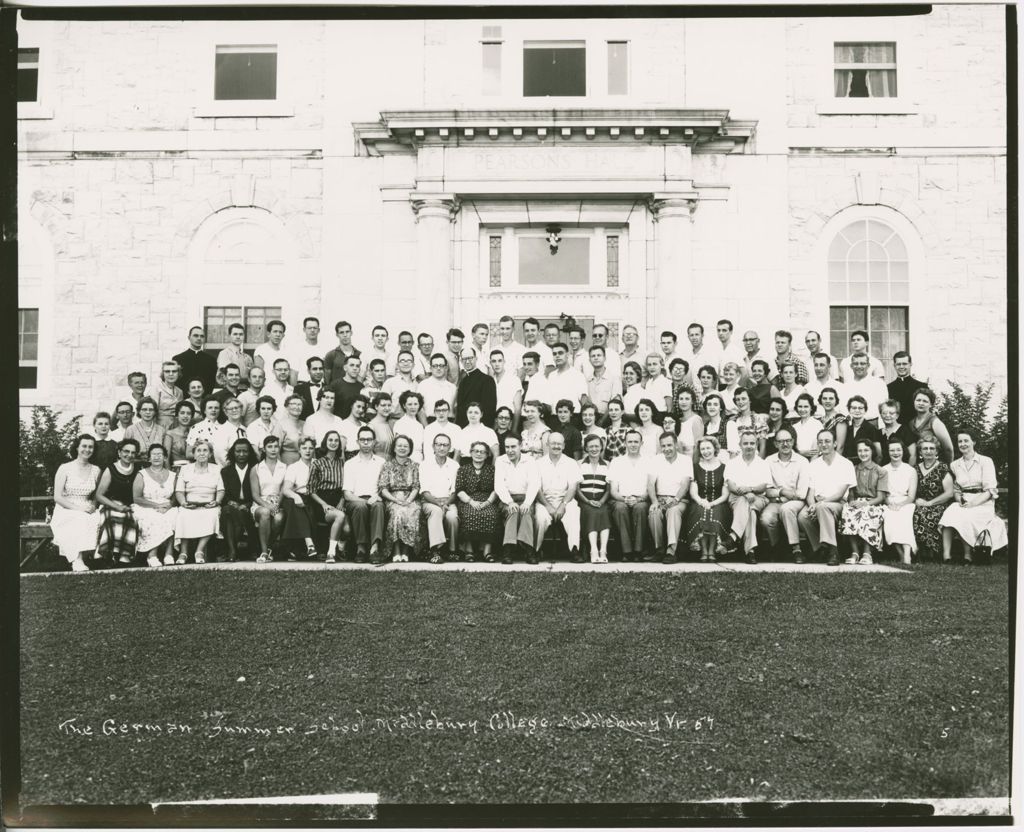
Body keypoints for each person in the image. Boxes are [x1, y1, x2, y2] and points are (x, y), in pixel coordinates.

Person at [939, 428, 1008, 564]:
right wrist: (959, 499)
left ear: (974, 442)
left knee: (966, 516)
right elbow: (957, 488)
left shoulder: (985, 461)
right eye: (960, 441)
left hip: (983, 502)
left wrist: (973, 504)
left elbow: (990, 490)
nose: (963, 444)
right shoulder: (955, 465)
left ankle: (967, 556)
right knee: (949, 515)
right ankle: (946, 556)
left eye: (966, 441)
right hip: (963, 500)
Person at [798, 430, 857, 566]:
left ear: (835, 443)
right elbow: (810, 492)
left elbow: (840, 494)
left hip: (838, 504)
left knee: (823, 507)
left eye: (827, 441)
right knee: (802, 516)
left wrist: (821, 503)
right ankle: (820, 548)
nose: (823, 444)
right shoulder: (813, 465)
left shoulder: (846, 464)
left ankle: (833, 550)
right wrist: (812, 504)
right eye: (820, 442)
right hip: (818, 503)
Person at [49, 434, 102, 572]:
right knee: (79, 518)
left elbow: (97, 495)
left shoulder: (96, 470)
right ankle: (77, 560)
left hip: (86, 505)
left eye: (91, 447)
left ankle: (96, 556)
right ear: (77, 448)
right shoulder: (65, 468)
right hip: (66, 507)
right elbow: (58, 497)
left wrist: (93, 506)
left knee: (98, 518)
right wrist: (79, 509)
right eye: (84, 446)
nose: (87, 449)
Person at [760, 425, 810, 562]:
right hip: (775, 501)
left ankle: (796, 549)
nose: (785, 444)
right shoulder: (769, 461)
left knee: (787, 509)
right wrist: (782, 492)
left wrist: (784, 496)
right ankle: (777, 547)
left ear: (793, 442)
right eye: (781, 441)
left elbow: (801, 493)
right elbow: (766, 490)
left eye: (788, 440)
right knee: (766, 519)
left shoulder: (802, 461)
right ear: (775, 444)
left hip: (797, 502)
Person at [724, 430, 772, 564]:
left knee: (749, 505)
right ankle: (750, 551)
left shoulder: (763, 463)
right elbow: (732, 486)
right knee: (749, 510)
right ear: (740, 445)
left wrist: (750, 489)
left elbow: (763, 486)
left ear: (756, 444)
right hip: (736, 498)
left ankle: (733, 536)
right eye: (745, 443)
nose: (749, 446)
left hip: (759, 498)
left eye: (752, 443)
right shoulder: (732, 463)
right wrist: (746, 493)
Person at [173, 438, 223, 565]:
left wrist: (216, 502)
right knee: (182, 515)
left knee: (212, 515)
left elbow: (221, 490)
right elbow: (179, 491)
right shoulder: (185, 469)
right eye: (198, 451)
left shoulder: (217, 469)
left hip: (209, 505)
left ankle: (199, 551)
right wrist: (183, 503)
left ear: (210, 454)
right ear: (194, 454)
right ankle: (183, 552)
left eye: (205, 450)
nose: (202, 453)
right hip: (189, 504)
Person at [534, 432, 582, 562]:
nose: (556, 446)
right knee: (540, 517)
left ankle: (574, 550)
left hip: (566, 500)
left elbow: (572, 488)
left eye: (559, 443)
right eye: (553, 443)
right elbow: (536, 489)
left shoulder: (571, 463)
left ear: (564, 445)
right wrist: (548, 506)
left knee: (573, 512)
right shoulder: (538, 464)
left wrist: (563, 505)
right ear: (547, 444)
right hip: (544, 501)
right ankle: (536, 550)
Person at [840, 438, 888, 565]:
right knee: (848, 511)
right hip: (857, 501)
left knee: (868, 512)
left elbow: (881, 497)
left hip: (874, 503)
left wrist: (865, 504)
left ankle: (867, 553)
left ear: (872, 451)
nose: (863, 453)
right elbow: (850, 492)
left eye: (866, 450)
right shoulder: (853, 469)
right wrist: (851, 502)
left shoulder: (881, 471)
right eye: (860, 451)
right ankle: (855, 553)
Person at [646, 431, 692, 563]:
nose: (666, 449)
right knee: (654, 512)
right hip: (660, 498)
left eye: (669, 445)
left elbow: (685, 484)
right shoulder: (656, 460)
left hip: (679, 499)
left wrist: (675, 499)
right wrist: (654, 501)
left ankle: (671, 552)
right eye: (663, 446)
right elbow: (650, 484)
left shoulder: (685, 460)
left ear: (676, 444)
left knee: (673, 512)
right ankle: (659, 550)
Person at [493, 435, 540, 564]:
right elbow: (499, 485)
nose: (510, 450)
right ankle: (508, 549)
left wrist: (527, 502)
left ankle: (528, 550)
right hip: (507, 498)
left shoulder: (530, 461)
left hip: (526, 498)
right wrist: (509, 502)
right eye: (507, 447)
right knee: (513, 511)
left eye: (513, 446)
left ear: (520, 446)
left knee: (526, 512)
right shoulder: (500, 461)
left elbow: (534, 483)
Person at [343, 426, 387, 563]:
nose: (366, 443)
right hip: (355, 500)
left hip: (375, 498)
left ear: (374, 442)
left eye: (369, 439)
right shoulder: (350, 464)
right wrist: (362, 501)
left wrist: (379, 496)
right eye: (363, 439)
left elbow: (384, 487)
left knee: (378, 506)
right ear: (357, 442)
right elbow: (347, 494)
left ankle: (374, 548)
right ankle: (361, 548)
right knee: (360, 507)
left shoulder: (381, 462)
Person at [132, 443, 179, 567]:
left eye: (160, 454)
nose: (156, 457)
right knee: (155, 518)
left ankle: (169, 554)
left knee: (174, 515)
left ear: (164, 457)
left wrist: (169, 506)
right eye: (153, 454)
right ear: (149, 458)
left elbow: (175, 495)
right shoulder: (141, 474)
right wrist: (156, 506)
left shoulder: (173, 475)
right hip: (145, 506)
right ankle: (152, 555)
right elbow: (136, 498)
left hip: (167, 506)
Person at [684, 436, 731, 561]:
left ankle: (712, 550)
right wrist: (701, 501)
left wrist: (713, 503)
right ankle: (704, 550)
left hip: (719, 502)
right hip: (699, 501)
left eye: (708, 448)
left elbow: (725, 494)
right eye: (702, 449)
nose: (706, 451)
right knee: (701, 511)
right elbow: (693, 491)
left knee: (714, 512)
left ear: (715, 448)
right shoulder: (695, 467)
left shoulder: (724, 467)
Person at [607, 429, 651, 561]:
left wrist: (639, 499)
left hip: (642, 499)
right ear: (625, 443)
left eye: (636, 442)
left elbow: (651, 487)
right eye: (630, 441)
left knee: (641, 508)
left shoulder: (649, 461)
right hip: (620, 499)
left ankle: (638, 550)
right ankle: (626, 551)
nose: (633, 444)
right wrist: (625, 499)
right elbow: (613, 491)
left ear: (641, 443)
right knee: (620, 508)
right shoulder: (616, 462)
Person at [95, 438, 140, 566]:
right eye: (126, 451)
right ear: (119, 452)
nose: (129, 455)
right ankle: (107, 555)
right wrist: (116, 506)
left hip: (129, 505)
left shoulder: (137, 469)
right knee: (111, 519)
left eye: (133, 452)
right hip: (110, 503)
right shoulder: (111, 469)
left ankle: (124, 557)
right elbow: (99, 495)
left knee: (130, 519)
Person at [377, 434, 421, 562]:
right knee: (397, 513)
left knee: (414, 511)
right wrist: (395, 500)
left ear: (410, 449)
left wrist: (408, 501)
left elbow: (416, 486)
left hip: (410, 497)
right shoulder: (387, 465)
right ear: (394, 448)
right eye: (399, 445)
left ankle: (406, 552)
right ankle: (396, 551)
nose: (402, 448)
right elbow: (383, 487)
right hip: (392, 497)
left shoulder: (415, 466)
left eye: (405, 446)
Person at [454, 441, 500, 562]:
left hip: (488, 500)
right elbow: (459, 490)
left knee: (490, 514)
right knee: (469, 514)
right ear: (471, 453)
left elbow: (497, 489)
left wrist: (487, 502)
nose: (479, 454)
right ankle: (469, 551)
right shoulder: (463, 469)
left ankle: (487, 551)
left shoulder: (492, 470)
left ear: (487, 455)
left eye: (482, 452)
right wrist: (471, 502)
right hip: (468, 500)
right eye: (476, 451)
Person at [308, 430, 349, 563]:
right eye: (330, 440)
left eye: (336, 440)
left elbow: (347, 486)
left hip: (339, 499)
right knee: (340, 516)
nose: (333, 443)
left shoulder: (343, 463)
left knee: (347, 530)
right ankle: (330, 553)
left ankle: (340, 549)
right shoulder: (317, 463)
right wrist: (323, 504)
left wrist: (342, 502)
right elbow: (311, 489)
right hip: (322, 501)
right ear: (325, 442)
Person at [420, 433, 461, 563]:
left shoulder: (455, 465)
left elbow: (455, 491)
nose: (442, 448)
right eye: (438, 444)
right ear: (433, 446)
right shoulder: (425, 464)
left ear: (450, 448)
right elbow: (425, 492)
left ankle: (452, 551)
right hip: (430, 501)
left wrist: (446, 504)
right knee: (436, 512)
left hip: (448, 501)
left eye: (445, 445)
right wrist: (439, 504)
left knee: (452, 517)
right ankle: (435, 551)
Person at [912, 437, 955, 561]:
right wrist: (917, 501)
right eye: (925, 448)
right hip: (920, 503)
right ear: (920, 452)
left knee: (925, 514)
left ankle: (934, 552)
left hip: (939, 504)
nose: (928, 451)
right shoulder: (915, 469)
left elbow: (949, 493)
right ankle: (920, 551)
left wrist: (929, 503)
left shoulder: (943, 468)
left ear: (937, 452)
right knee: (914, 513)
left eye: (932, 448)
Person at [280, 437, 320, 559]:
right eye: (304, 448)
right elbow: (286, 489)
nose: (307, 451)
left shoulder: (318, 464)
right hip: (296, 497)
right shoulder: (294, 467)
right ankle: (309, 543)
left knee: (303, 507)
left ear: (314, 450)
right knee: (295, 504)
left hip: (314, 498)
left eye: (310, 448)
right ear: (299, 450)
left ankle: (292, 548)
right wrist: (296, 496)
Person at [250, 435, 287, 563]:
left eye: (276, 446)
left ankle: (269, 547)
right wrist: (267, 505)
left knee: (279, 518)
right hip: (260, 503)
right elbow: (254, 494)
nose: (273, 449)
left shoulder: (284, 467)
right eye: (269, 447)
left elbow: (283, 490)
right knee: (265, 513)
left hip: (278, 502)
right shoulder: (256, 468)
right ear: (264, 449)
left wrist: (277, 505)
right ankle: (264, 552)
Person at [218, 437, 255, 562]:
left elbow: (259, 492)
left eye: (245, 451)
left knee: (235, 513)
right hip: (231, 505)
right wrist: (230, 502)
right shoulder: (225, 471)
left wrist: (249, 504)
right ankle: (233, 550)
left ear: (249, 453)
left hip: (249, 506)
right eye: (238, 451)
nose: (241, 454)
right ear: (233, 453)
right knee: (228, 510)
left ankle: (231, 551)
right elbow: (223, 492)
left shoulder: (256, 470)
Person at [882, 440, 918, 564]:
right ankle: (900, 554)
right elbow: (883, 493)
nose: (895, 453)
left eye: (898, 450)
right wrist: (889, 503)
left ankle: (907, 555)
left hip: (906, 502)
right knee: (890, 518)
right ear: (888, 452)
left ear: (903, 452)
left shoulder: (911, 470)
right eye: (892, 450)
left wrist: (900, 505)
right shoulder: (883, 470)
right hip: (889, 502)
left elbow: (911, 496)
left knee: (904, 517)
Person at [578, 434, 612, 563]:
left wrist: (601, 501)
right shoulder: (579, 464)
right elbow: (576, 488)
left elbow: (608, 489)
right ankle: (593, 550)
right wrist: (587, 501)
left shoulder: (607, 465)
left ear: (601, 447)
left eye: (596, 446)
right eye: (590, 446)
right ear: (586, 448)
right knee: (592, 512)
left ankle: (603, 551)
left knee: (603, 511)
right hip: (584, 501)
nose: (594, 449)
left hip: (601, 500)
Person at [907, 387, 955, 464]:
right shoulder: (911, 423)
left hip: (934, 466)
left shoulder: (935, 422)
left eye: (925, 401)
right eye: (918, 400)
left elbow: (949, 449)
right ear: (914, 402)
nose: (921, 403)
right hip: (917, 466)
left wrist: (949, 468)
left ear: (931, 404)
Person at [543, 343, 588, 423]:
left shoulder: (577, 375)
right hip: (554, 418)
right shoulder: (551, 376)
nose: (557, 356)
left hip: (573, 418)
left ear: (567, 354)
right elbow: (548, 400)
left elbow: (583, 399)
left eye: (560, 353)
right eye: (554, 354)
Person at [843, 353, 889, 421]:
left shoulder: (879, 383)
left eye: (862, 363)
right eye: (856, 364)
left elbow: (884, 407)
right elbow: (844, 408)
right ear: (851, 366)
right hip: (852, 424)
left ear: (868, 365)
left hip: (873, 424)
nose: (859, 366)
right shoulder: (846, 386)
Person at [172, 326, 217, 394]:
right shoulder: (178, 359)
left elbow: (211, 383)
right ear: (189, 338)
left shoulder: (211, 360)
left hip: (204, 399)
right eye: (196, 336)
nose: (199, 338)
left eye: (202, 336)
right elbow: (176, 382)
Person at [725, 388, 767, 458]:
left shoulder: (759, 419)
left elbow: (763, 447)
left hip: (753, 458)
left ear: (750, 400)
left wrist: (759, 464)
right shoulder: (733, 420)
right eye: (738, 399)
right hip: (736, 458)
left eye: (743, 399)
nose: (740, 402)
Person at [842, 396, 883, 464]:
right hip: (848, 468)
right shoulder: (847, 429)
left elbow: (879, 456)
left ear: (865, 410)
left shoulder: (872, 429)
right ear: (849, 410)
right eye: (854, 408)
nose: (857, 410)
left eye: (860, 408)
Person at [887, 352, 926, 422]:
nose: (901, 367)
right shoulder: (888, 388)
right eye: (898, 364)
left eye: (904, 364)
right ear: (894, 366)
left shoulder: (921, 386)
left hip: (915, 428)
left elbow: (926, 411)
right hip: (896, 429)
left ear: (910, 364)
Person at [878, 400, 917, 466]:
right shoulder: (878, 433)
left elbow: (913, 455)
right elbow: (879, 457)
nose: (887, 415)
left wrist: (907, 473)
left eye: (891, 413)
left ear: (897, 415)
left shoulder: (905, 430)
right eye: (884, 413)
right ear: (881, 415)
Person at [491, 350, 524, 428]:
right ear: (490, 363)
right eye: (494, 361)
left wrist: (514, 429)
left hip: (508, 422)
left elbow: (518, 408)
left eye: (499, 361)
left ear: (504, 362)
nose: (497, 364)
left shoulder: (514, 379)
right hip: (494, 423)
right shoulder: (490, 380)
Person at [215, 322, 254, 388]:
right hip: (229, 391)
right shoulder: (224, 354)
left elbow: (253, 376)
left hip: (244, 391)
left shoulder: (247, 357)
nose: (238, 337)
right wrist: (247, 378)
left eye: (241, 334)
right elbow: (229, 376)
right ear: (229, 336)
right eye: (235, 334)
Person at [212, 398, 249, 466]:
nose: (234, 410)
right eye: (231, 409)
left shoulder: (246, 430)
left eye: (236, 408)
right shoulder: (221, 431)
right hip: (229, 470)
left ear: (241, 410)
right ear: (226, 412)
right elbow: (220, 455)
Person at [323, 320, 361, 386]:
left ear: (351, 333)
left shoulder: (359, 354)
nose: (345, 335)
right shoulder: (331, 355)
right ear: (337, 335)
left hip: (355, 392)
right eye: (341, 332)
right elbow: (327, 379)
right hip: (336, 392)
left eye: (347, 332)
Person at [328, 354, 366, 419]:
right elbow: (329, 408)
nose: (355, 368)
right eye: (352, 365)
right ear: (345, 368)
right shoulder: (335, 385)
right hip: (338, 424)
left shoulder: (362, 387)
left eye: (357, 366)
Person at [394, 390, 426, 462]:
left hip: (419, 459)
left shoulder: (420, 426)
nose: (413, 407)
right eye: (410, 404)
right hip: (405, 460)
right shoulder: (400, 424)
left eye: (415, 404)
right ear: (404, 406)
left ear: (419, 405)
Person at [791, 393, 824, 460]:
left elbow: (816, 451)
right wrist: (800, 453)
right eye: (800, 406)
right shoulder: (794, 426)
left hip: (813, 460)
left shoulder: (817, 425)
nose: (802, 410)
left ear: (811, 408)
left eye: (806, 406)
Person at [673, 388, 705, 457]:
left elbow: (698, 445)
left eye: (687, 399)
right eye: (681, 399)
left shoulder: (696, 419)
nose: (683, 402)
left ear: (692, 401)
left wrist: (694, 464)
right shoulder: (678, 420)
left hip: (690, 457)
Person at [290, 317, 322, 384]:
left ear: (319, 330)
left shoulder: (324, 348)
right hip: (302, 386)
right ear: (304, 330)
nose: (312, 330)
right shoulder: (297, 348)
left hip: (321, 387)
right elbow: (293, 374)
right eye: (309, 328)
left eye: (315, 328)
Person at [818, 387, 848, 457]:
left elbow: (840, 447)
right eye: (824, 398)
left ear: (836, 401)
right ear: (820, 400)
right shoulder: (820, 419)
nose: (827, 401)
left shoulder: (840, 419)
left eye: (831, 398)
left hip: (834, 458)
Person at [586, 346, 615, 418]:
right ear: (589, 360)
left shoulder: (614, 378)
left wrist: (602, 421)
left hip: (609, 418)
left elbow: (615, 403)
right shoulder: (588, 380)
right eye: (593, 356)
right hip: (591, 419)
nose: (596, 358)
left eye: (599, 355)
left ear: (605, 358)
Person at [276, 394, 306, 464]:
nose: (296, 407)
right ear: (286, 407)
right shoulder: (281, 425)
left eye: (299, 404)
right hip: (287, 464)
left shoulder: (305, 424)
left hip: (304, 465)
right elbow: (275, 450)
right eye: (293, 404)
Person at [153, 361, 184, 427]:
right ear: (163, 374)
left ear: (178, 373)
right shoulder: (157, 389)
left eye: (174, 371)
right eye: (167, 371)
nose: (171, 374)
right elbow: (152, 412)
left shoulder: (179, 391)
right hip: (160, 425)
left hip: (177, 425)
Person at [165, 401, 195, 469]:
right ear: (177, 415)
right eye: (182, 413)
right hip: (176, 469)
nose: (185, 416)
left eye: (188, 413)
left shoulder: (194, 433)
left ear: (192, 416)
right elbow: (166, 458)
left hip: (193, 470)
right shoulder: (170, 434)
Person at [702, 394, 729, 460]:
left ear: (720, 408)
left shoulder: (728, 424)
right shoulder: (704, 427)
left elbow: (733, 452)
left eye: (715, 404)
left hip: (725, 463)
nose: (712, 407)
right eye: (709, 404)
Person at [602, 397, 629, 463]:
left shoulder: (628, 430)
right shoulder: (605, 431)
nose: (613, 412)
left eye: (616, 410)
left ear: (622, 412)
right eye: (611, 410)